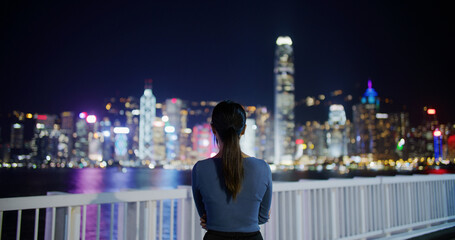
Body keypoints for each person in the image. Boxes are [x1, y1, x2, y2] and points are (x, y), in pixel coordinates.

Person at [192, 100, 273, 240]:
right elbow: (262, 217)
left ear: (213, 129)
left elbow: (205, 218)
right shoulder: (262, 168)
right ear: (244, 129)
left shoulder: (200, 169)